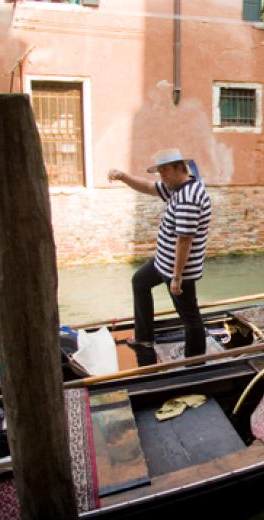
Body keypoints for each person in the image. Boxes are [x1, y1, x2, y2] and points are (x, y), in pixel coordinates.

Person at [108, 149, 212, 366]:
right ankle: (144, 338)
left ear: (178, 168)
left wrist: (176, 277)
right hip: (162, 261)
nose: (161, 176)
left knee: (189, 317)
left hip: (178, 269)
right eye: (160, 171)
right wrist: (122, 176)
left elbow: (184, 240)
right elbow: (147, 187)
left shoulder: (188, 198)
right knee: (139, 282)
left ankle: (195, 362)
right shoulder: (178, 187)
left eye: (164, 170)